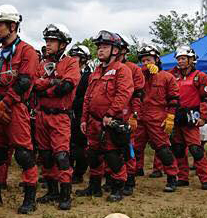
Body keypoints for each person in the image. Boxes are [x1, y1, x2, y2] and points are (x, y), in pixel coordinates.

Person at [0, 4, 40, 213]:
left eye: (0, 25)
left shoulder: (27, 51)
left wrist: (5, 102)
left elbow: (24, 82)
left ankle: (30, 197)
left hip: (15, 107)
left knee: (24, 154)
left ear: (12, 25)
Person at [76, 31, 133, 202]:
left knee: (112, 156)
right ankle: (94, 187)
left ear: (115, 50)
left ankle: (118, 188)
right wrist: (84, 119)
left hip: (110, 121)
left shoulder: (122, 70)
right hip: (93, 121)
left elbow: (124, 94)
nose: (100, 50)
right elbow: (88, 96)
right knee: (92, 155)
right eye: (99, 47)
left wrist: (110, 114)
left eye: (105, 47)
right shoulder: (96, 72)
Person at [33, 23, 79, 211]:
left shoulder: (71, 62)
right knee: (45, 156)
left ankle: (65, 194)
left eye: (52, 40)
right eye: (47, 40)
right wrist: (53, 82)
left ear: (62, 44)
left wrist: (47, 86)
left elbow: (66, 86)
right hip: (42, 115)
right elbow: (34, 85)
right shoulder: (42, 63)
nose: (48, 44)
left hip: (60, 116)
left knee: (61, 156)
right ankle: (52, 190)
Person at [132, 44, 182, 192]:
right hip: (140, 116)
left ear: (157, 59)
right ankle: (130, 177)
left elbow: (174, 99)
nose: (146, 62)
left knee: (163, 149)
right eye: (143, 60)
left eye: (149, 59)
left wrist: (170, 117)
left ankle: (172, 177)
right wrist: (144, 70)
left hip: (157, 116)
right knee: (134, 148)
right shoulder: (139, 76)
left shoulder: (167, 77)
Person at [170, 45, 207, 190]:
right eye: (178, 59)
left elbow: (206, 98)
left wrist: (204, 117)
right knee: (178, 148)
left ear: (191, 60)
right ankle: (182, 177)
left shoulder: (200, 76)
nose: (180, 61)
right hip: (177, 116)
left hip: (192, 116)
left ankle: (206, 178)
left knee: (196, 149)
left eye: (183, 58)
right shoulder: (173, 76)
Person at [115, 33, 144, 196]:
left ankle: (130, 179)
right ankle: (115, 179)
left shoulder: (133, 69)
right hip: (111, 112)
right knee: (111, 149)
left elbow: (138, 94)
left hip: (127, 113)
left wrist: (134, 115)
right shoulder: (107, 68)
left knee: (127, 147)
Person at [68, 44, 92, 185]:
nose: (73, 59)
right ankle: (67, 171)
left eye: (76, 57)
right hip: (67, 114)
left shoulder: (88, 77)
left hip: (80, 115)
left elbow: (87, 97)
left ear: (83, 59)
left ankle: (79, 173)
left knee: (80, 147)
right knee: (67, 146)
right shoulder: (67, 74)